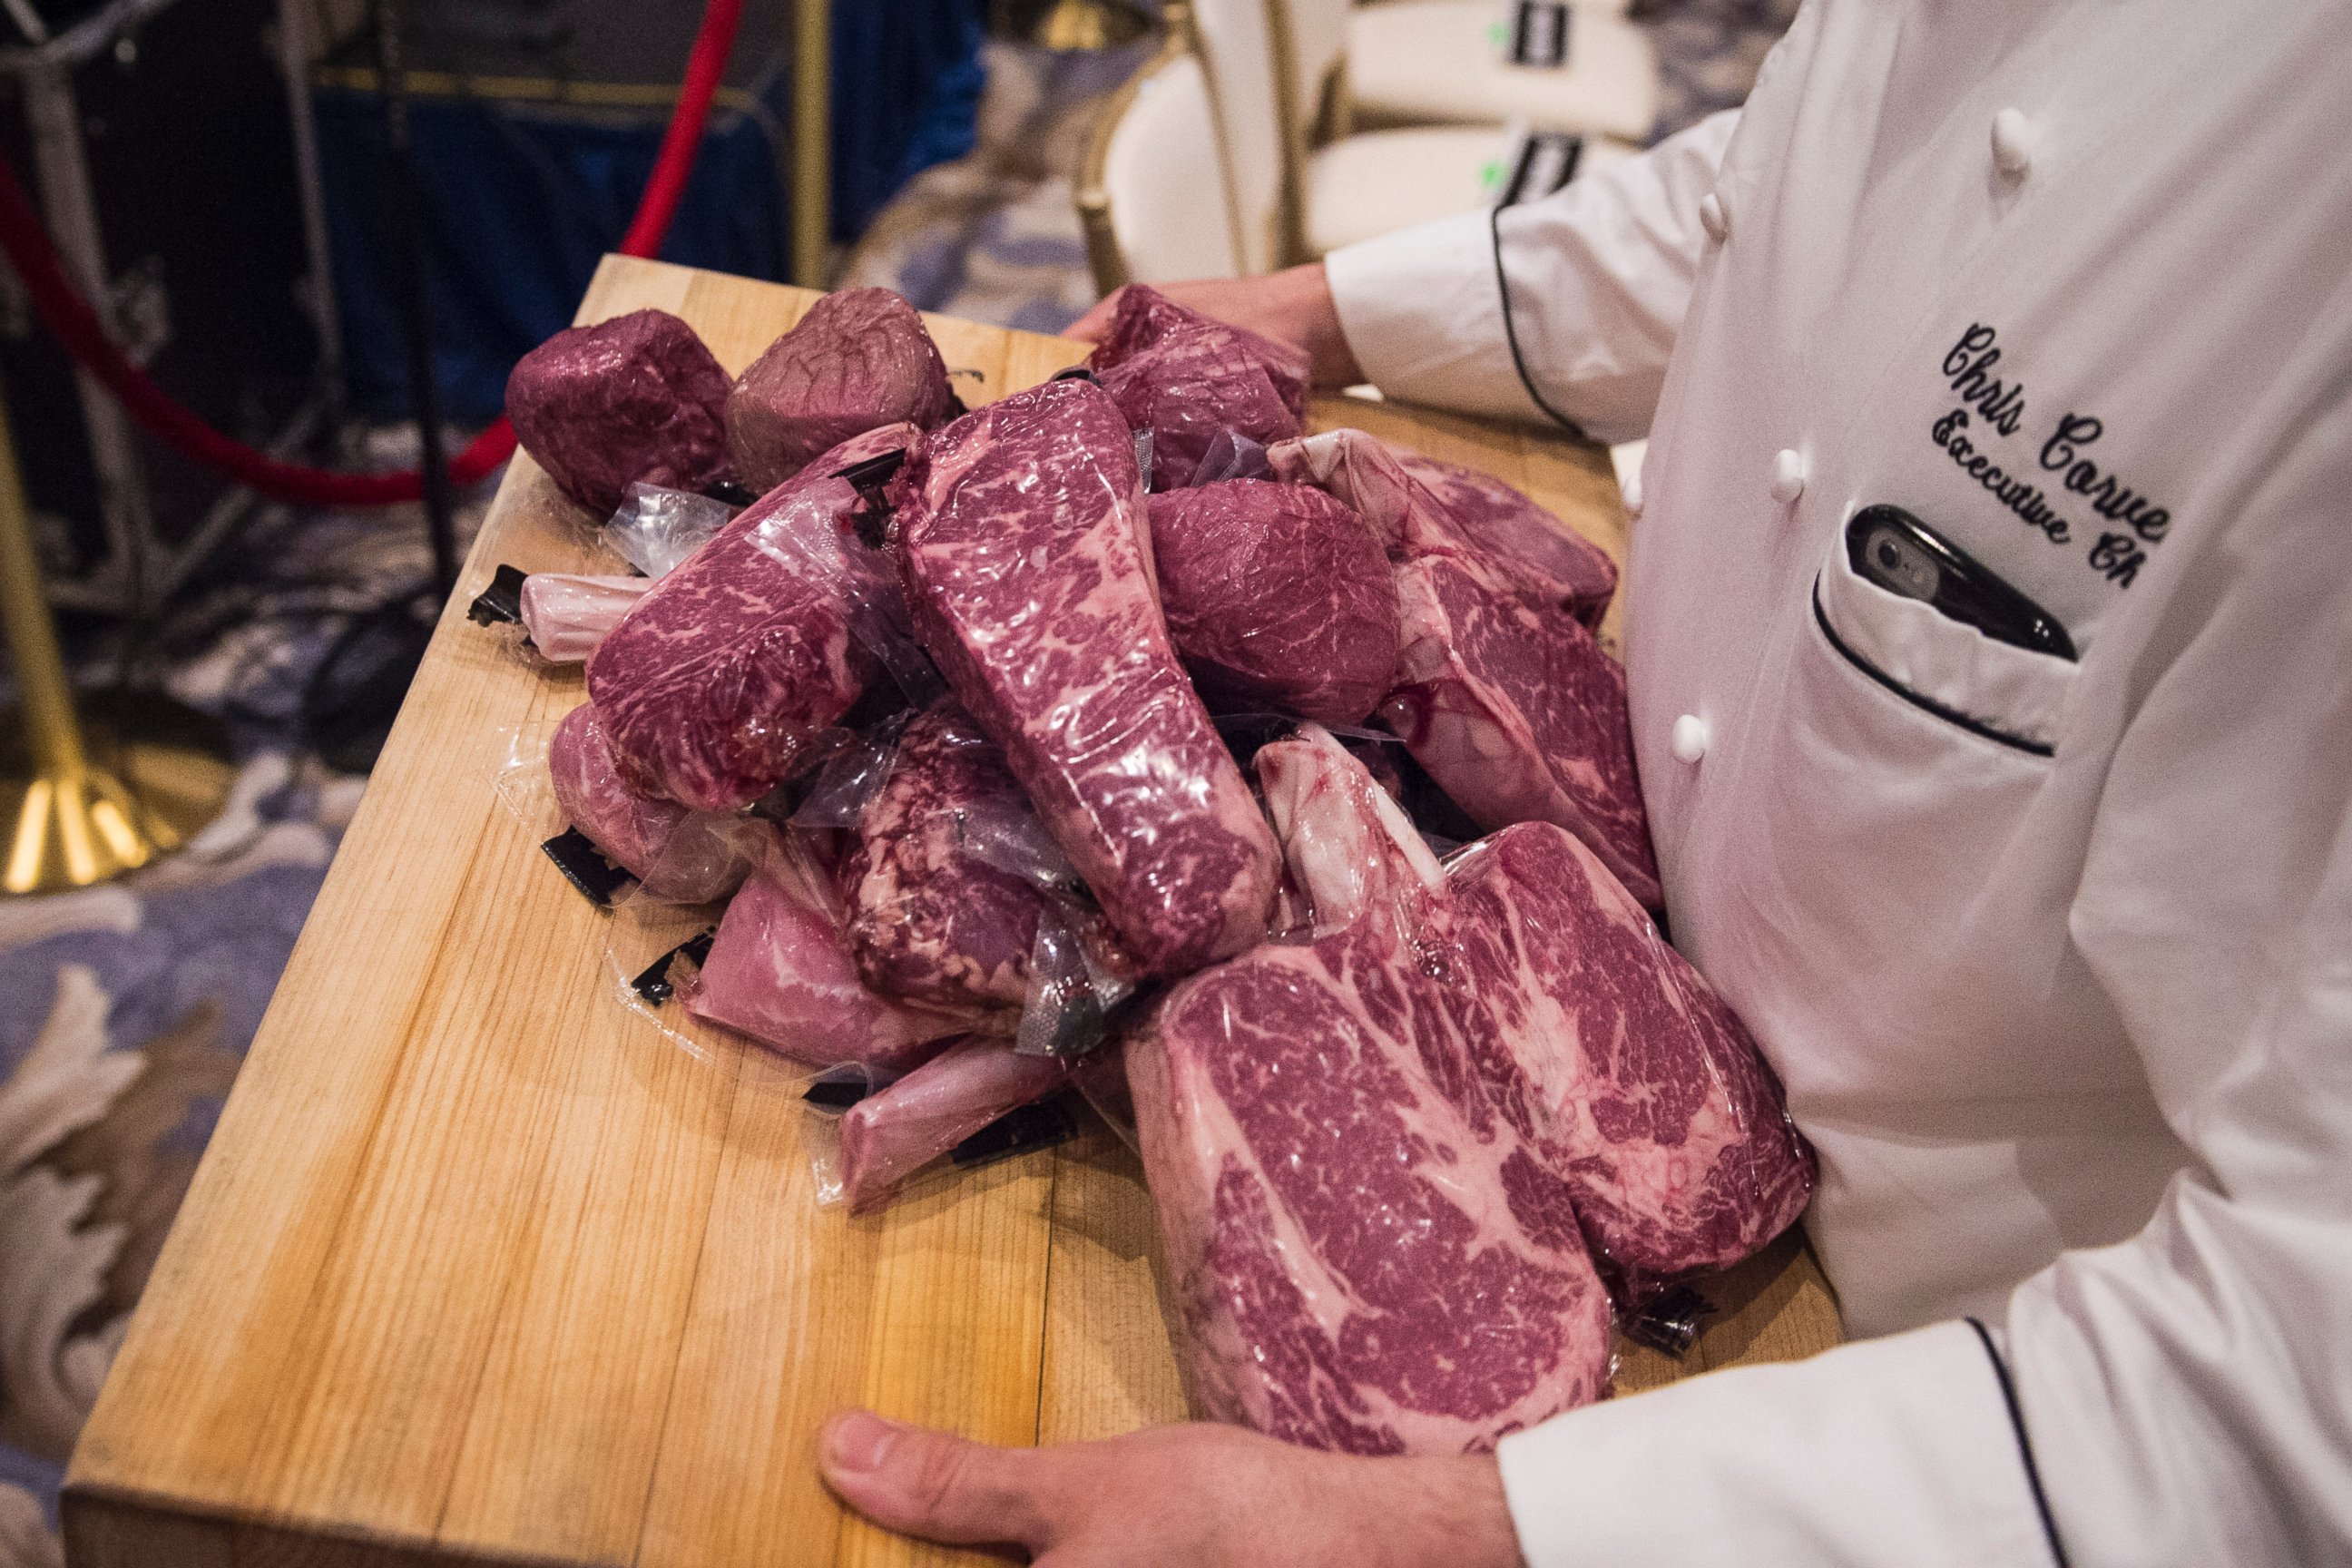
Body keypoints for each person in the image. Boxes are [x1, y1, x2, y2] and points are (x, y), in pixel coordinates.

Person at [818, 0, 2352, 1561]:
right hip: (1609, 975)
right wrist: (1330, 308)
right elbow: (1779, 196)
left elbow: (2298, 1402)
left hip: (1909, 1390)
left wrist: (1428, 1534)